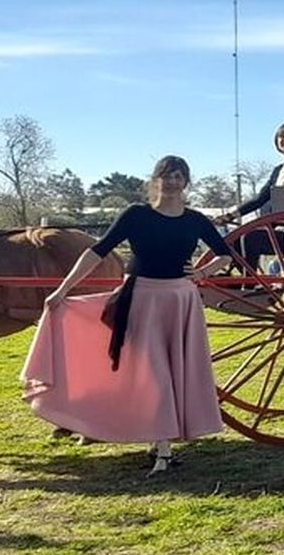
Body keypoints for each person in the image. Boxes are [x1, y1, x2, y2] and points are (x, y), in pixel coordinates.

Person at [20, 156, 234, 475]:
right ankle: (161, 446)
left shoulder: (195, 219)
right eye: (166, 175)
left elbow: (226, 253)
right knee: (155, 373)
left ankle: (161, 445)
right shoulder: (136, 215)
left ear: (186, 182)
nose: (172, 182)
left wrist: (202, 273)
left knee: (174, 371)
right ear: (156, 180)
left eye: (179, 176)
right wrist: (63, 290)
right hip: (142, 299)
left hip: (181, 300)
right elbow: (98, 251)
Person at [215, 122, 284, 271]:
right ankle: (239, 281)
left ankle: (249, 282)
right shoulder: (278, 170)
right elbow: (259, 199)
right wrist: (230, 215)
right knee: (234, 238)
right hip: (275, 228)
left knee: (251, 238)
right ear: (276, 141)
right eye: (282, 136)